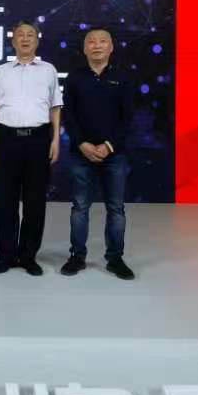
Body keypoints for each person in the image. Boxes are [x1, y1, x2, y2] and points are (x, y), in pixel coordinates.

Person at [0, 21, 62, 276]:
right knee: (5, 202)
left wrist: (55, 140)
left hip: (38, 140)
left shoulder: (48, 70)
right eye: (20, 35)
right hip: (6, 139)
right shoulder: (1, 71)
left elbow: (55, 108)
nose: (25, 39)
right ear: (13, 41)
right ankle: (6, 256)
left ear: (37, 41)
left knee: (35, 202)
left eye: (30, 35)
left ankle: (29, 257)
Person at [61, 27, 135, 280]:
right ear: (84, 49)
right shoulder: (75, 78)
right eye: (91, 42)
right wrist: (82, 143)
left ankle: (115, 259)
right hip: (81, 153)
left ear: (111, 47)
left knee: (116, 208)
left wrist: (109, 146)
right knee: (80, 207)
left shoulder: (123, 77)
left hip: (114, 155)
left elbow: (128, 118)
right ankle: (77, 256)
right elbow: (68, 115)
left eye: (103, 41)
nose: (97, 45)